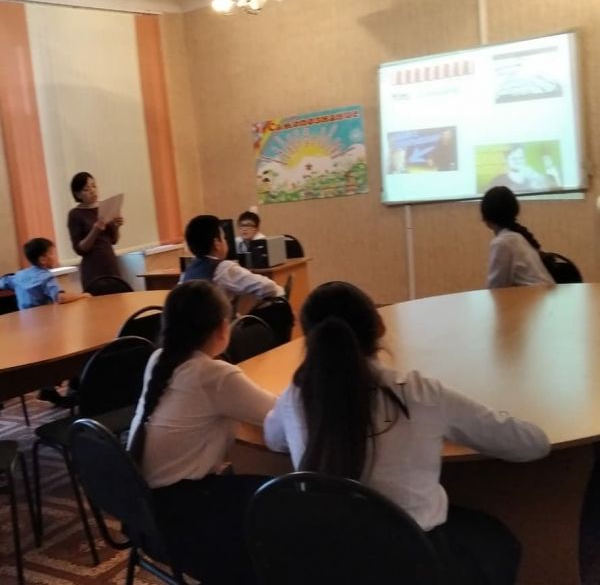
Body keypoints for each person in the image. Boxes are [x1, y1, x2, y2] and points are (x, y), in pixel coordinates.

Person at [264, 281, 550, 585]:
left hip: (329, 562)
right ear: (380, 326)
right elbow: (532, 445)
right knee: (498, 540)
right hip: (412, 564)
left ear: (308, 337)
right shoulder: (421, 395)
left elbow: (273, 438)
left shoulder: (296, 396)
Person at [127, 280, 275, 584]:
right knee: (279, 498)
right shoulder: (214, 375)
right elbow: (277, 414)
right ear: (222, 328)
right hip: (182, 516)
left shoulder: (159, 359)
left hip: (142, 508)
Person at [0, 237, 90, 405]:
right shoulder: (45, 277)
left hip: (26, 328)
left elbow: (3, 282)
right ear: (43, 259)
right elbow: (59, 298)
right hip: (46, 326)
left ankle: (48, 388)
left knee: (42, 358)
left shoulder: (19, 276)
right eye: (52, 253)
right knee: (72, 349)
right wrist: (82, 295)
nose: (54, 257)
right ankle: (74, 383)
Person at [182, 215, 284, 301]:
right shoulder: (224, 268)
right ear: (216, 244)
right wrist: (281, 292)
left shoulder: (187, 271)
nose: (226, 242)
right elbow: (267, 287)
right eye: (224, 238)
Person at [481, 186, 554, 288]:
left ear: (486, 217)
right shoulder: (519, 237)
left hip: (533, 296)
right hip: (543, 294)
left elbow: (495, 288)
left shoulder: (501, 243)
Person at [67, 172, 124, 290]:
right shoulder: (75, 214)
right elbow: (80, 249)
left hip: (110, 263)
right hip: (93, 268)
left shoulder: (104, 207)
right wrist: (95, 230)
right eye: (86, 189)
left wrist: (117, 226)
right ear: (77, 194)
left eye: (94, 186)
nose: (92, 191)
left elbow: (114, 240)